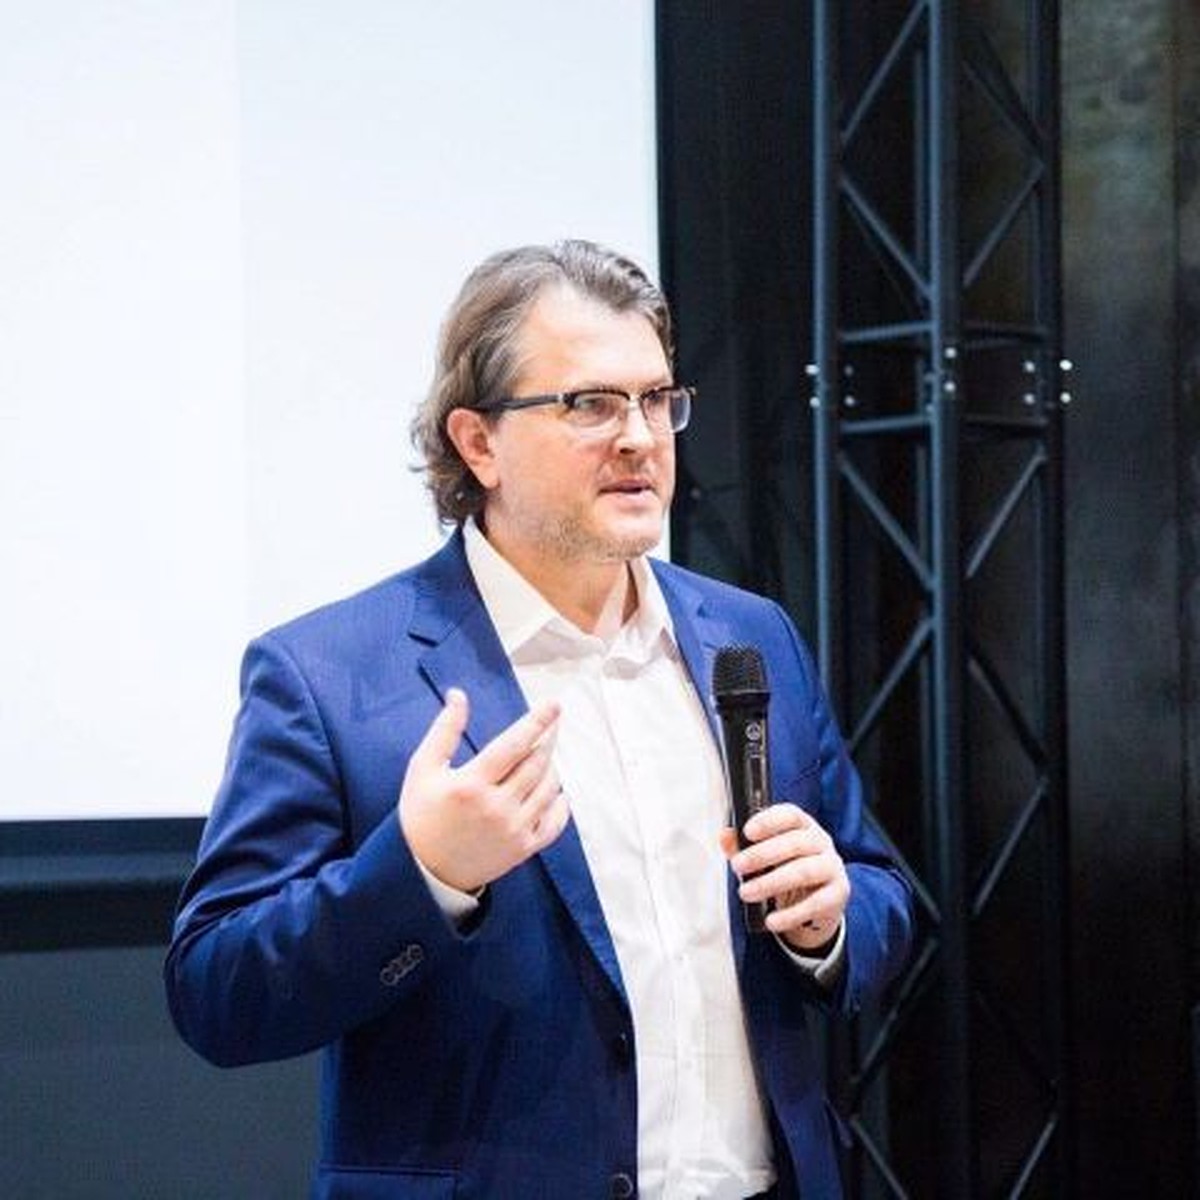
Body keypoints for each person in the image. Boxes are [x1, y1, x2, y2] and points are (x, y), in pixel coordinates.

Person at [165, 239, 914, 1200]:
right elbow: (218, 993)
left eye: (657, 399)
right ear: (478, 443)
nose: (640, 438)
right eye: (590, 404)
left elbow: (878, 889)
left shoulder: (749, 636)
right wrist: (424, 874)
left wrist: (829, 921)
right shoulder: (329, 674)